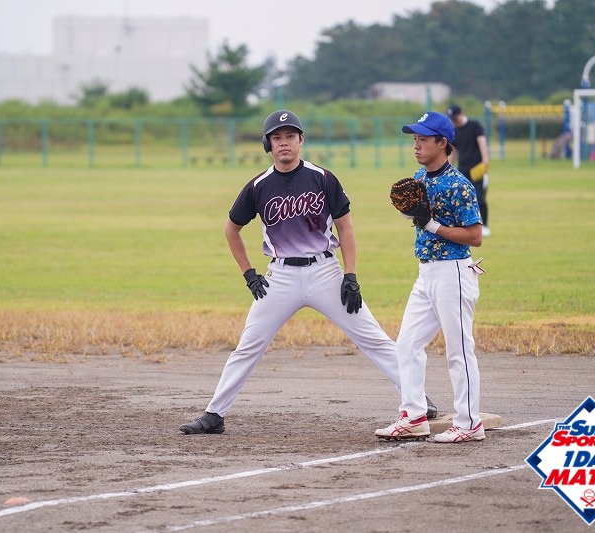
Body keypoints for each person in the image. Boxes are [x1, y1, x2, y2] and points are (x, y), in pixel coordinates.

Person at [180, 109, 436, 435]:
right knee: (248, 345)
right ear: (268, 145)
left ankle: (417, 400)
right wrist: (249, 274)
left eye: (290, 136)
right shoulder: (258, 186)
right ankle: (214, 414)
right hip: (280, 277)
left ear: (301, 140)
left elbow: (345, 228)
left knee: (372, 337)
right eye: (276, 138)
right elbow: (232, 229)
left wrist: (350, 275)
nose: (284, 142)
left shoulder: (322, 178)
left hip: (325, 272)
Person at [375, 111, 486, 443]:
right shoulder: (418, 179)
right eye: (415, 139)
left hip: (454, 271)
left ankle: (469, 423)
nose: (416, 145)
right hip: (426, 273)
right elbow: (417, 215)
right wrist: (413, 213)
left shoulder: (458, 185)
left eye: (423, 139)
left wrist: (431, 224)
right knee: (406, 345)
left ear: (442, 143)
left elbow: (475, 236)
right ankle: (413, 416)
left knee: (459, 350)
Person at [446, 105, 491, 237]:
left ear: (461, 113)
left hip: (476, 168)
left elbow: (482, 142)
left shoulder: (474, 126)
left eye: (455, 118)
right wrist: (450, 167)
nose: (455, 121)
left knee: (479, 197)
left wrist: (485, 161)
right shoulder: (454, 131)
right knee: (463, 198)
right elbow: (452, 151)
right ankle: (466, 226)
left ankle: (485, 225)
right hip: (462, 169)